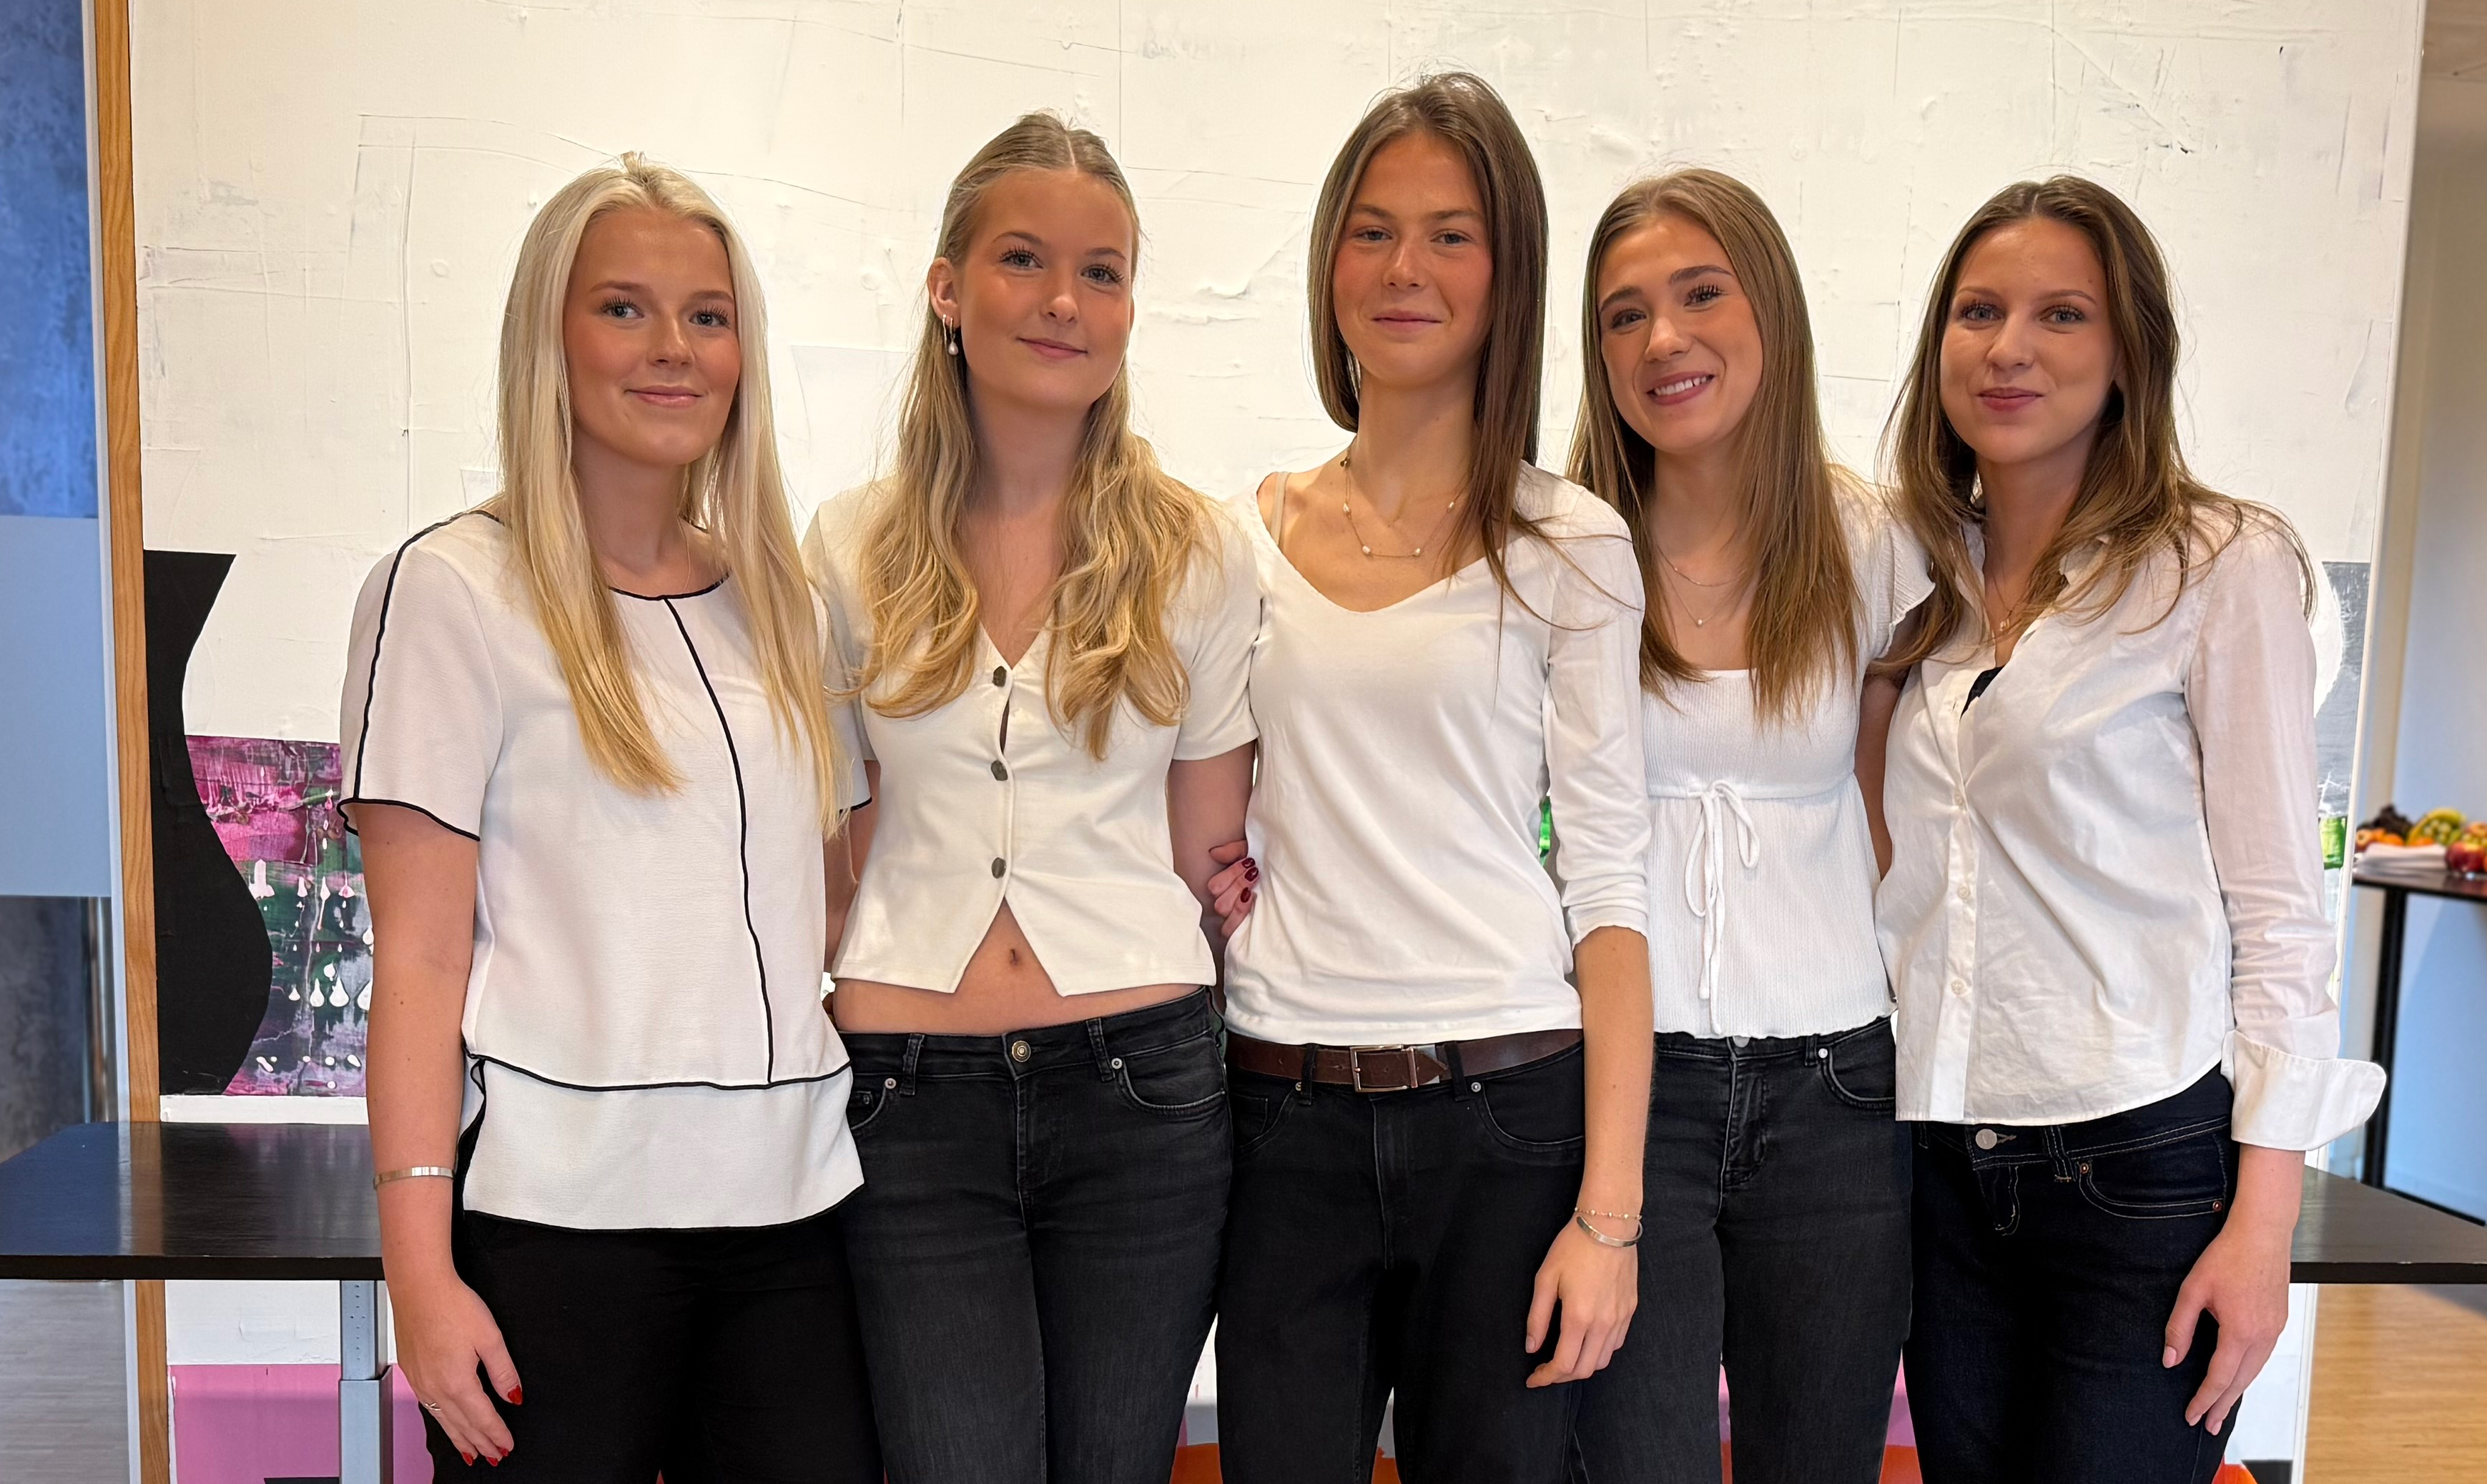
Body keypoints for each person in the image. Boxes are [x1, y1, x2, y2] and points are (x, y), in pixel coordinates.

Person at [342, 157, 879, 1479]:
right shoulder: (449, 590)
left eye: (707, 316)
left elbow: (839, 885)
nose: (672, 348)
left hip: (793, 1221)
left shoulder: (790, 606)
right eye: (624, 308)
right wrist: (420, 1276)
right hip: (554, 1232)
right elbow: (419, 960)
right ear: (551, 334)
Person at [1875, 175, 2386, 1483]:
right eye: (1978, 312)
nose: (2009, 348)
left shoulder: (2217, 566)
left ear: (2127, 354)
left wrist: (2261, 1229)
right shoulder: (1916, 580)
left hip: (2139, 1164)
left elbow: (2282, 914)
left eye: (2061, 314)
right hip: (1936, 1158)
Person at [802, 112, 1259, 1484]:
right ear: (947, 289)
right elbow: (836, 839)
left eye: (1101, 272)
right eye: (1023, 260)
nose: (1064, 300)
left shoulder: (1197, 551)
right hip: (905, 1096)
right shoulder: (848, 545)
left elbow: (1206, 854)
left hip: (1143, 1094)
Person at [1211, 72, 1654, 1484]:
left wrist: (1608, 1218)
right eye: (1373, 231)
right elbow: (1200, 813)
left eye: (1451, 235)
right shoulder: (1237, 539)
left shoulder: (1570, 542)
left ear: (1507, 272)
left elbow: (1609, 887)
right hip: (1281, 1112)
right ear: (1328, 264)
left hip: (1508, 1120)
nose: (1406, 268)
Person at [1562, 168, 1921, 1484]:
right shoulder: (1564, 550)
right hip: (1626, 1087)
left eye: (1701, 294)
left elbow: (1899, 809)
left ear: (1770, 307)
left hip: (1837, 1089)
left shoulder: (1869, 542)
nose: (1664, 338)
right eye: (1624, 314)